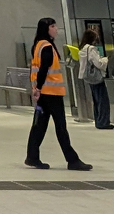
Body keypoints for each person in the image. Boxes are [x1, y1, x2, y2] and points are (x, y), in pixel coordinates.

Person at [25, 17, 92, 171]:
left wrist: (36, 89)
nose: (56, 29)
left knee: (39, 126)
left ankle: (32, 156)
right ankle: (72, 160)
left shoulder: (37, 45)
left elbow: (36, 69)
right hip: (51, 93)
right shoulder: (47, 47)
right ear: (46, 29)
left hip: (43, 93)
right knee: (60, 126)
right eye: (53, 26)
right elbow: (43, 70)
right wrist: (39, 88)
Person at [80, 26, 114, 129]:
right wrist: (106, 59)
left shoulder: (82, 48)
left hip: (89, 78)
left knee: (96, 100)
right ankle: (103, 122)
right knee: (103, 100)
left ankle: (98, 121)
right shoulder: (91, 49)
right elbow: (98, 63)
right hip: (96, 77)